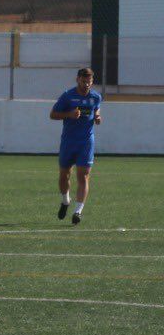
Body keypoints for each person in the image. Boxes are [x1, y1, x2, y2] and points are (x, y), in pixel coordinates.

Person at [51, 68, 101, 225]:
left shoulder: (95, 96)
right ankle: (65, 200)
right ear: (77, 79)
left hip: (86, 142)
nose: (86, 84)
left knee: (83, 175)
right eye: (84, 81)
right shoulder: (68, 96)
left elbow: (96, 108)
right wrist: (69, 114)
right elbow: (53, 114)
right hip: (69, 141)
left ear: (92, 81)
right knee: (64, 174)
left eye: (89, 82)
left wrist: (97, 116)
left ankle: (78, 211)